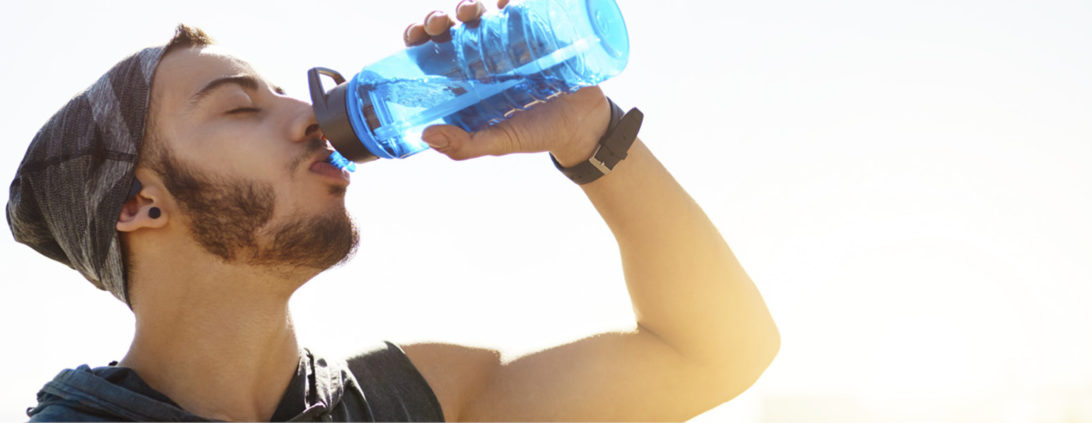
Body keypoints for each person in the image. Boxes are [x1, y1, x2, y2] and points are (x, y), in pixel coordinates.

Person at [7, 1, 779, 421]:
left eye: (287, 93)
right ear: (141, 203)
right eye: (242, 108)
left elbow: (717, 352)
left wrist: (591, 134)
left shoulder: (409, 402)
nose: (308, 116)